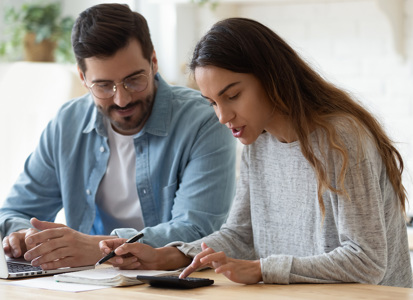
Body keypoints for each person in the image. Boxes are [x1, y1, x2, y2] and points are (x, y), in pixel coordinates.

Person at [99, 17, 413, 287]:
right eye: (212, 102)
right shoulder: (257, 143)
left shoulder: (339, 138)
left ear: (270, 77)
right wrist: (171, 255)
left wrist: (263, 269)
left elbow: (367, 261)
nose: (223, 116)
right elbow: (242, 235)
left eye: (232, 95)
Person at [0, 4, 236, 270]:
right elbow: (14, 211)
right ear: (83, 77)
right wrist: (25, 237)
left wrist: (95, 248)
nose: (122, 98)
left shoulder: (204, 120)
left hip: (171, 280)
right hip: (84, 283)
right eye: (103, 86)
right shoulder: (67, 123)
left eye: (134, 80)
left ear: (153, 62)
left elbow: (197, 230)